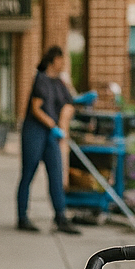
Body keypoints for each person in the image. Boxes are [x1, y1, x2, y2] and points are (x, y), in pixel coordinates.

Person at [16, 46, 81, 235]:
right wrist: (53, 125)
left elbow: (69, 103)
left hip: (52, 135)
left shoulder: (59, 83)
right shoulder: (41, 80)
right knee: (28, 173)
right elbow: (36, 108)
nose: (63, 64)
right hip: (35, 132)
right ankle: (22, 217)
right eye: (61, 60)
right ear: (53, 60)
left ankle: (60, 217)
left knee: (56, 173)